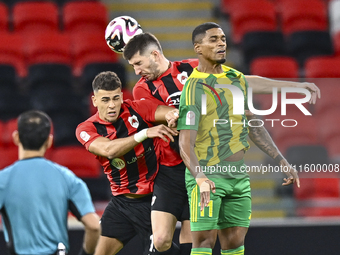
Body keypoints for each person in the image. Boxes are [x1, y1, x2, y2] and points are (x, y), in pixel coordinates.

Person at [122, 32, 317, 255]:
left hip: (203, 166)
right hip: (170, 171)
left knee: (196, 242)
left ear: (155, 55)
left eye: (138, 63)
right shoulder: (141, 88)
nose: (136, 71)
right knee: (162, 239)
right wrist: (177, 112)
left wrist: (292, 87)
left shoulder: (194, 68)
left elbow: (245, 81)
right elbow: (157, 111)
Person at [177, 22, 300, 255]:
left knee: (234, 243)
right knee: (203, 242)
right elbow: (185, 143)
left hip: (238, 175)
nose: (221, 43)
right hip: (208, 172)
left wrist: (280, 158)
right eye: (213, 39)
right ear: (198, 48)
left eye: (223, 38)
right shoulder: (194, 88)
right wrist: (200, 178)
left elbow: (253, 125)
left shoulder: (236, 79)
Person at [75, 71, 179, 255]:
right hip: (122, 204)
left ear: (122, 96)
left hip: (154, 202)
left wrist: (173, 115)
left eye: (116, 98)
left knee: (164, 248)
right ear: (94, 100)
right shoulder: (86, 128)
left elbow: (170, 112)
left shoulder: (138, 109)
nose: (112, 105)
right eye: (105, 100)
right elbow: (108, 150)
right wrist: (144, 133)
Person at [0, 110, 100, 255]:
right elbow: (94, 226)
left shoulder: (3, 179)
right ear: (49, 141)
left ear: (16, 138)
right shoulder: (67, 178)